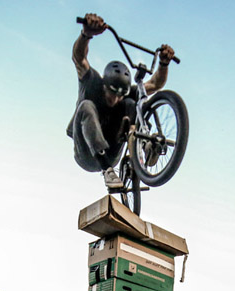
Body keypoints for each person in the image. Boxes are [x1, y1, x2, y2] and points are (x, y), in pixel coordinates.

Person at [69, 14, 174, 189]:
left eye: (119, 95)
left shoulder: (125, 95)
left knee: (132, 104)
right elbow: (79, 58)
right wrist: (86, 34)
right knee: (86, 106)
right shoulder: (92, 81)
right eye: (112, 94)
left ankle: (143, 149)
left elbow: (155, 84)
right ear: (105, 85)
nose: (115, 99)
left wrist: (163, 64)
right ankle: (107, 171)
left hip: (112, 154)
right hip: (86, 154)